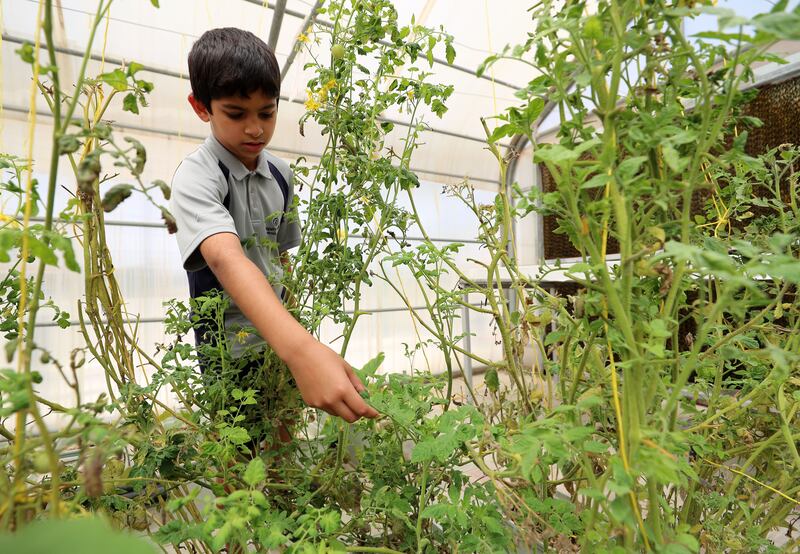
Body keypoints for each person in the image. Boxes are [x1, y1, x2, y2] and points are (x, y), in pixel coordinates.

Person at [169, 27, 378, 429]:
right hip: (227, 345)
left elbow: (280, 255)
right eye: (236, 113)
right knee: (236, 445)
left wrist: (294, 327)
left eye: (267, 113)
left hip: (280, 334)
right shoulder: (197, 176)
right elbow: (225, 260)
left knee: (283, 428)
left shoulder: (281, 174)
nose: (255, 129)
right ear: (201, 107)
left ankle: (279, 491)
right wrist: (300, 348)